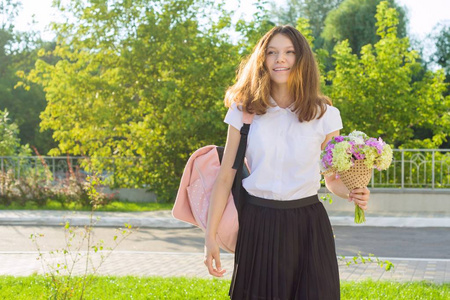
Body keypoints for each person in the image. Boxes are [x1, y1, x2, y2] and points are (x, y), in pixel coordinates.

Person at [204, 25, 370, 300]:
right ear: (263, 60)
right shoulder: (244, 111)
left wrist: (351, 192)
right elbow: (225, 177)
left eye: (289, 52)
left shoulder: (325, 115)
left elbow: (331, 178)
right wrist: (210, 237)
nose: (280, 59)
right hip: (258, 222)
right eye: (272, 52)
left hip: (308, 225)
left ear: (301, 59)